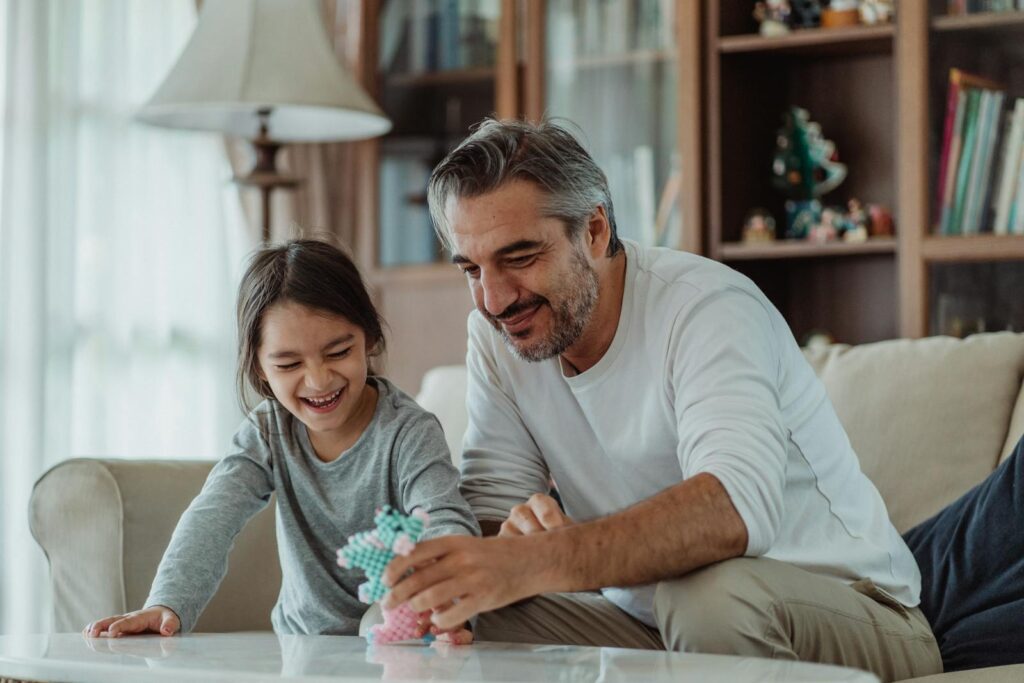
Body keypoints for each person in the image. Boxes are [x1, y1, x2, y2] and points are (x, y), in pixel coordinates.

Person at [381, 119, 943, 682]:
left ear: (595, 230)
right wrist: (447, 574)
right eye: (472, 269)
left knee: (705, 597)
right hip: (649, 624)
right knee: (444, 624)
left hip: (853, 610)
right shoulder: (497, 335)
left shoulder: (707, 307)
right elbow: (491, 514)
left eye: (520, 257)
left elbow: (737, 508)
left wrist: (545, 558)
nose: (495, 299)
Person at [83, 239, 479, 641]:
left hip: (397, 643)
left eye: (339, 352)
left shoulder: (408, 431)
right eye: (289, 364)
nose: (319, 380)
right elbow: (212, 518)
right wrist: (166, 603)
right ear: (259, 367)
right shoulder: (269, 430)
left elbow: (444, 517)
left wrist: (447, 604)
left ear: (369, 338)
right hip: (299, 650)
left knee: (377, 620)